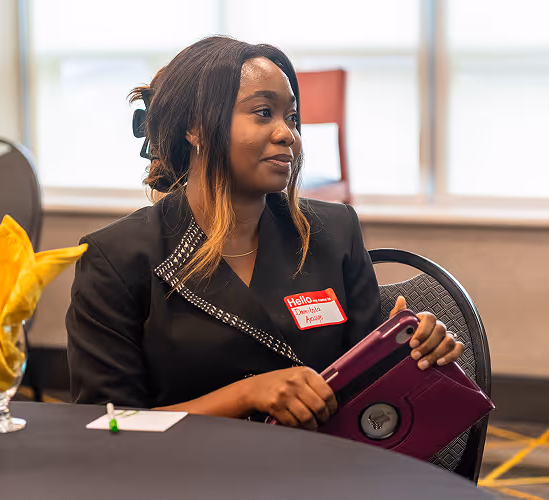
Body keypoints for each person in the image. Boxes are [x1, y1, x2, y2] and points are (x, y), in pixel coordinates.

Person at [66, 36, 464, 430]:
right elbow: (108, 426)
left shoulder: (335, 232)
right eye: (262, 113)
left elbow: (362, 391)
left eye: (291, 118)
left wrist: (403, 354)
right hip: (186, 478)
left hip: (319, 475)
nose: (287, 133)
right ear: (195, 128)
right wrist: (245, 396)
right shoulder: (116, 256)